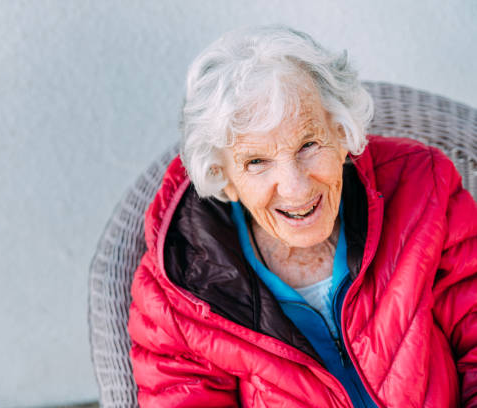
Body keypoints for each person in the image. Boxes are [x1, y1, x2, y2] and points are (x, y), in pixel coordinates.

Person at [127, 25, 477, 407]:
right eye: (257, 162)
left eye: (308, 144)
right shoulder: (178, 293)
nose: (295, 187)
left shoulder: (423, 190)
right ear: (224, 179)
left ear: (342, 132)